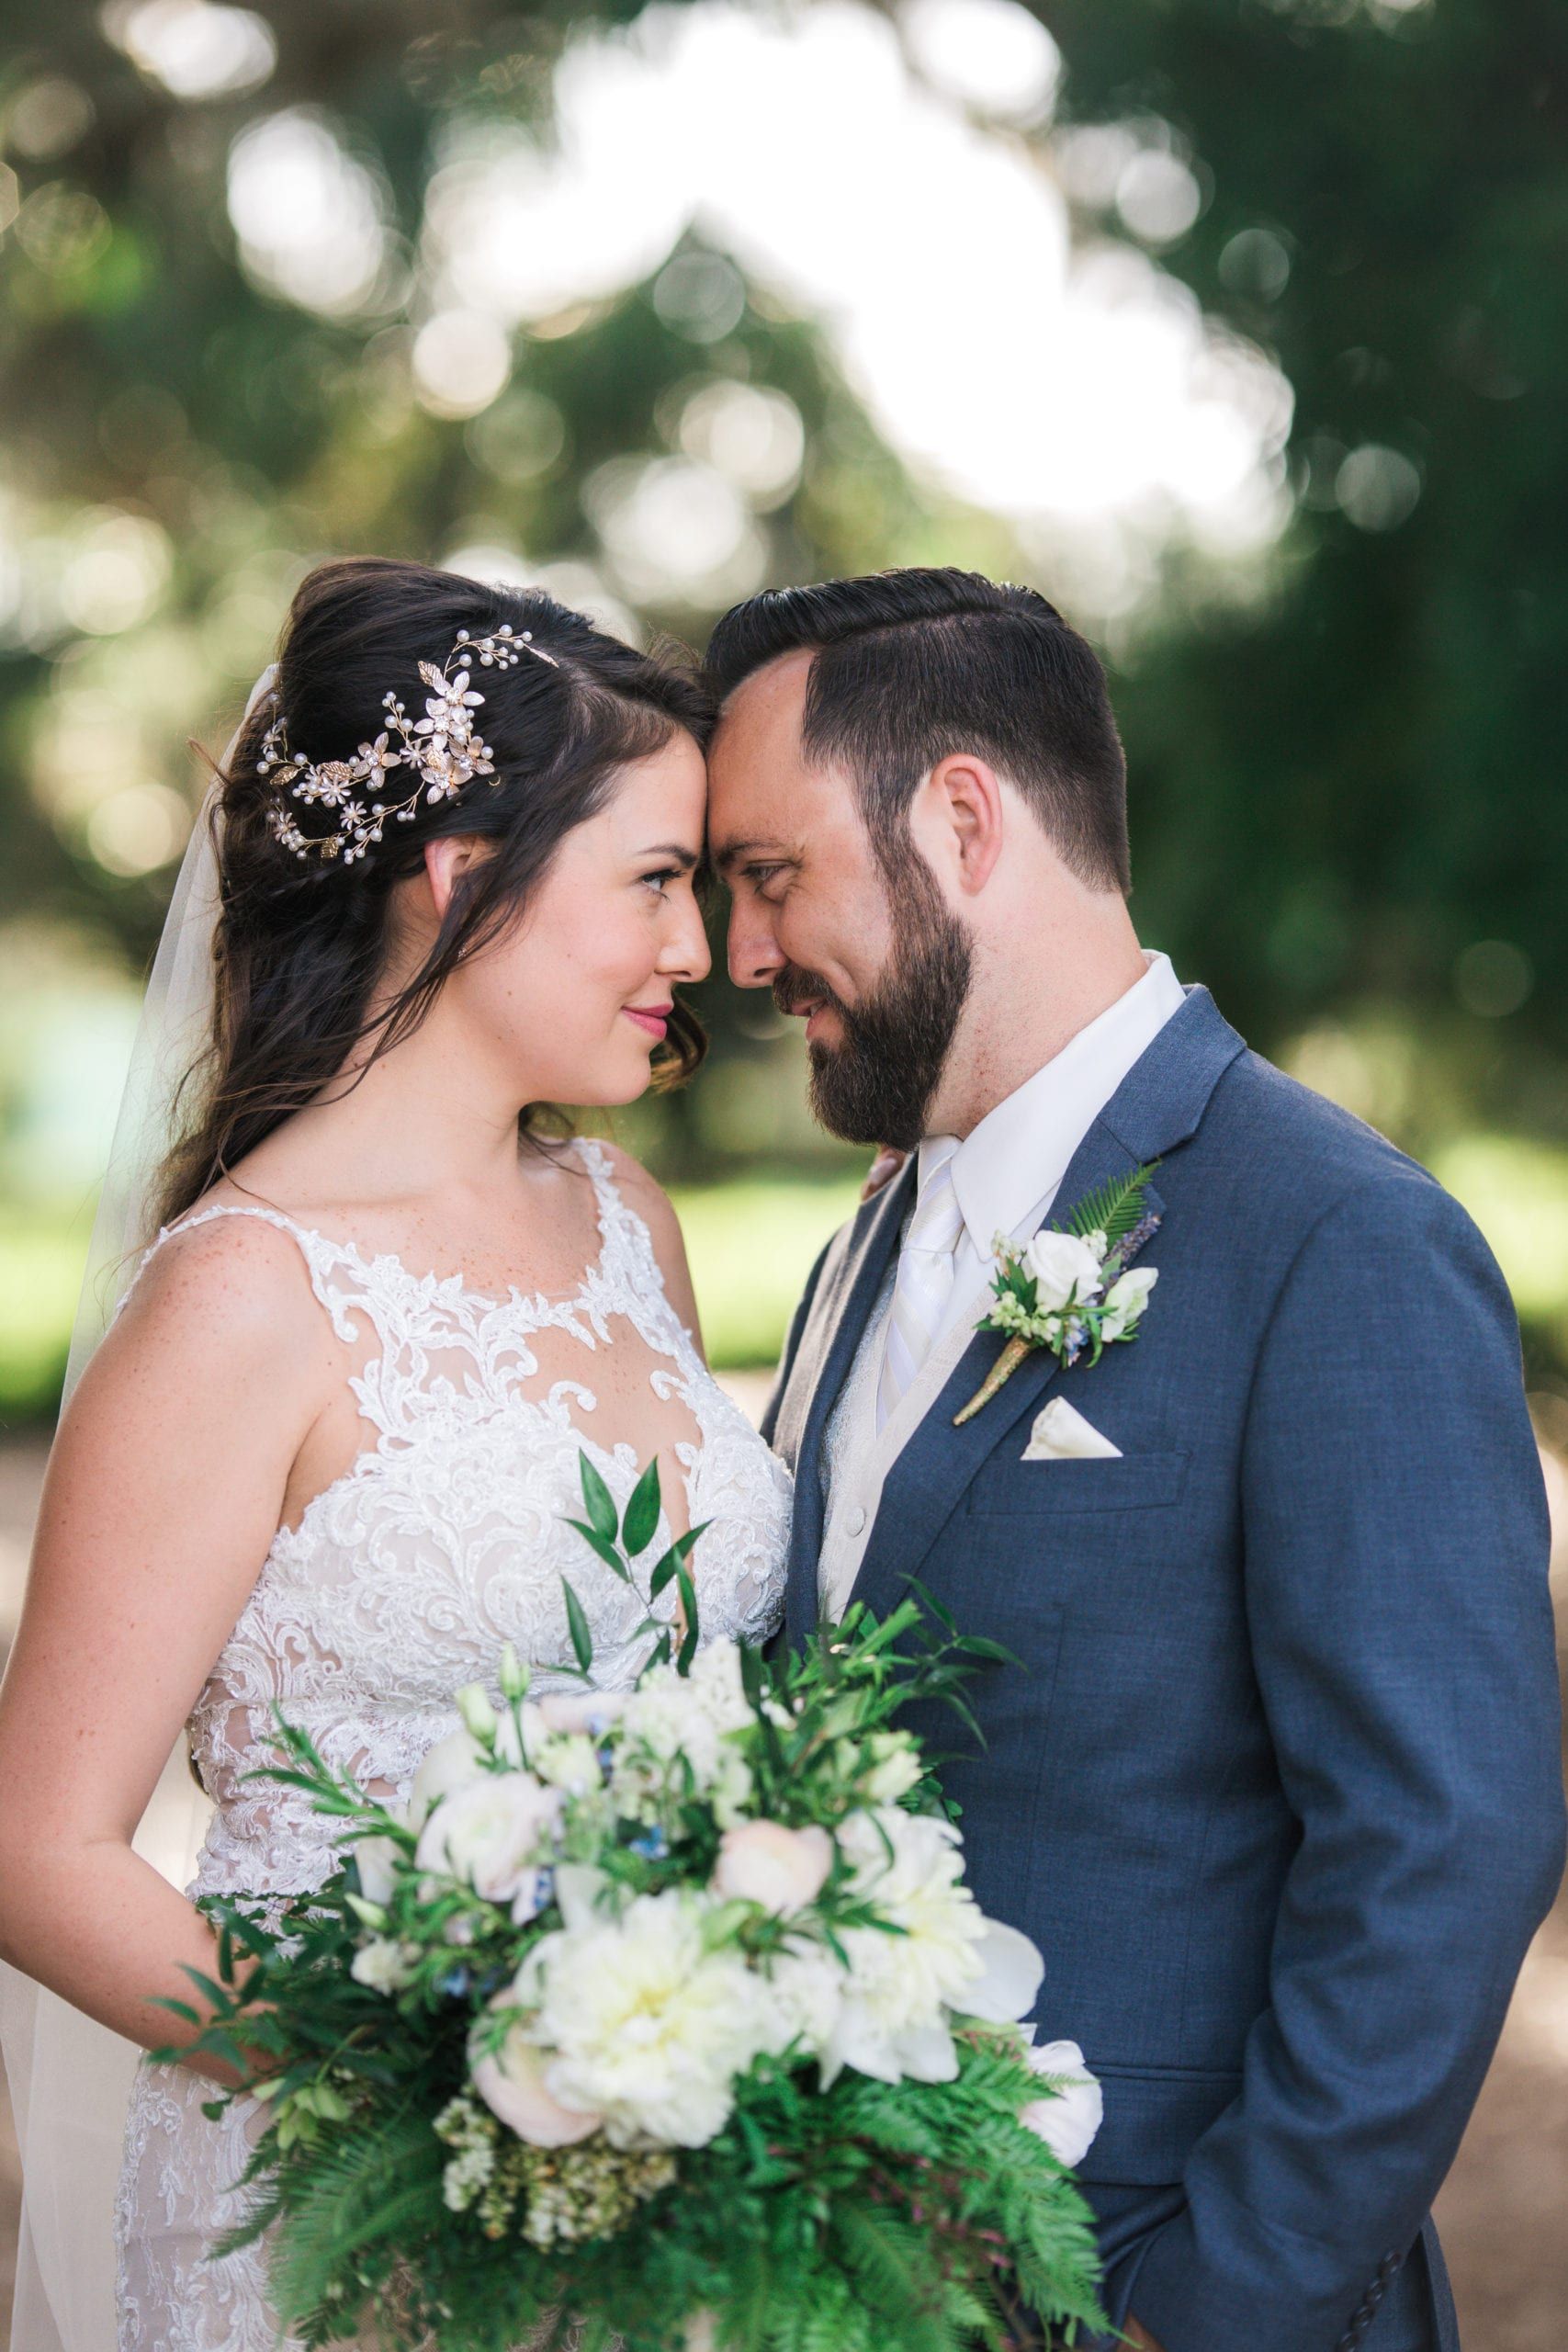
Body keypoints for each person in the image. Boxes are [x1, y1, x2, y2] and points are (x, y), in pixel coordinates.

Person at [704, 565, 1565, 2352]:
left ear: (957, 816)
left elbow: (1439, 1837)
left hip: (1155, 2276)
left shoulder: (1330, 1235)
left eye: (769, 873)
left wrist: (1201, 2311)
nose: (739, 954)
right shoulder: (865, 1236)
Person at [0, 557, 792, 2352]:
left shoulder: (624, 1217)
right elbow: (38, 1844)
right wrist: (439, 2087)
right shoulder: (238, 1299)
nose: (698, 950)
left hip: (677, 2184)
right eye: (657, 879)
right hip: (352, 2214)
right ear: (462, 873)